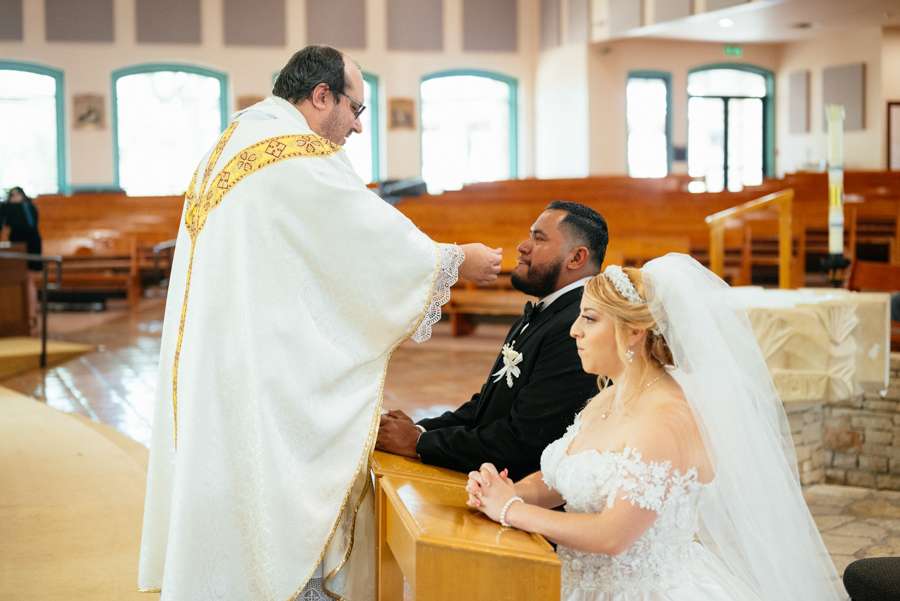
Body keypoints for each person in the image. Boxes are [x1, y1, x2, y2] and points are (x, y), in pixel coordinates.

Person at [138, 45, 502, 601]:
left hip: (222, 360)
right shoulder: (293, 153)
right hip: (261, 373)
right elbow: (366, 235)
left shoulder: (234, 141)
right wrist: (455, 260)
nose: (357, 128)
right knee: (270, 503)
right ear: (321, 96)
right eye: (355, 110)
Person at [466, 254, 846, 601]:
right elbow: (561, 477)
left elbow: (612, 536)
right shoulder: (606, 397)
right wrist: (501, 491)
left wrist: (511, 510)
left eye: (590, 318)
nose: (574, 331)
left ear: (634, 332)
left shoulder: (665, 420)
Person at [376, 202, 607, 481]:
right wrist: (422, 430)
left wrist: (417, 443)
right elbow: (489, 404)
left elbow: (524, 441)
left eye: (539, 238)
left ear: (576, 257)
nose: (523, 246)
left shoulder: (577, 327)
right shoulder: (547, 312)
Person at [2, 186, 42, 270]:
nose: (15, 196)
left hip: (31, 238)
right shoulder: (7, 208)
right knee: (19, 263)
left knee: (31, 264)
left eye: (17, 194)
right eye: (12, 194)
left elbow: (33, 223)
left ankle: (30, 283)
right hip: (17, 238)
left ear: (22, 195)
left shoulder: (29, 206)